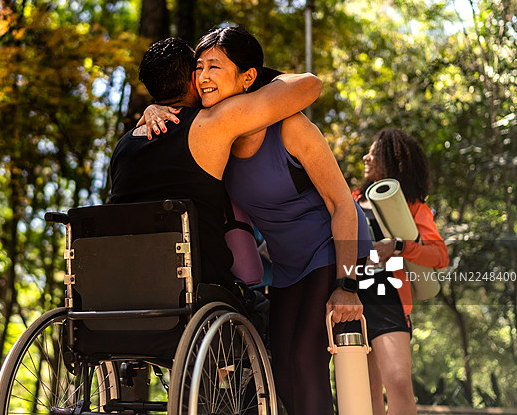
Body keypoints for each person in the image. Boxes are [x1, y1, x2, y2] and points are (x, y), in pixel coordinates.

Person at [142, 26, 372, 415]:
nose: (203, 76)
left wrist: (346, 284)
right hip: (286, 264)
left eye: (215, 66)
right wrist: (151, 109)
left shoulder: (290, 128)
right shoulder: (214, 133)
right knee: (278, 370)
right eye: (199, 67)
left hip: (332, 248)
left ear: (248, 77)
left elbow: (342, 205)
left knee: (305, 361)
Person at [108, 36, 322, 289]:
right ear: (193, 79)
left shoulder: (123, 145)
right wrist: (248, 74)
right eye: (199, 68)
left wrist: (152, 107)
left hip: (127, 283)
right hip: (200, 283)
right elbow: (310, 85)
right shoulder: (213, 123)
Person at [353, 128, 450, 415]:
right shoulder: (352, 199)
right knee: (365, 394)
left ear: (392, 160)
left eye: (374, 153)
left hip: (389, 299)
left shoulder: (413, 207)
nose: (366, 157)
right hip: (350, 297)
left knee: (397, 381)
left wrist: (399, 246)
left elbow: (440, 255)